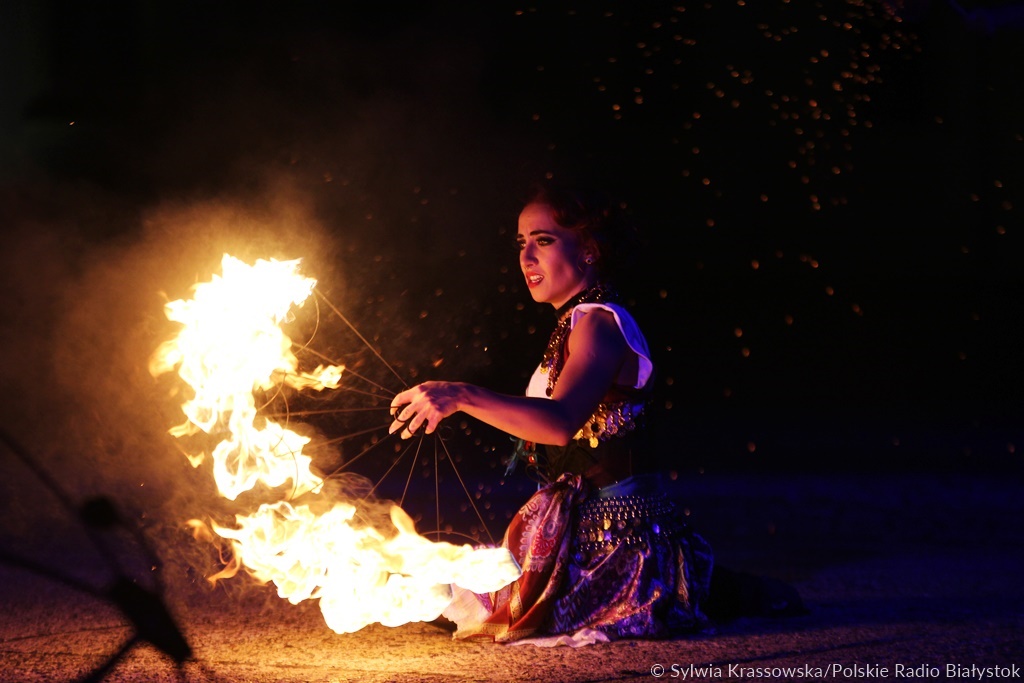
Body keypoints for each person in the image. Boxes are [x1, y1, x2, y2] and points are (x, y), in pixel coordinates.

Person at [388, 183, 797, 645]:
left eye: (543, 241)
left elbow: (559, 423)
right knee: (432, 594)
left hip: (618, 549)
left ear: (589, 249)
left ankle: (723, 591)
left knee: (458, 605)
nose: (526, 258)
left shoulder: (599, 323)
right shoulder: (573, 323)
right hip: (575, 539)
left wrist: (460, 395)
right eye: (521, 244)